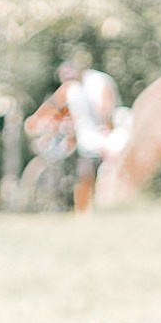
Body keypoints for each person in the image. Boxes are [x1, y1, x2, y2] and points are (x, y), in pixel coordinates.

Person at [26, 60, 122, 215]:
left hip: (107, 135)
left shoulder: (97, 81)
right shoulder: (70, 89)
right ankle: (84, 211)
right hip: (86, 139)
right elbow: (52, 107)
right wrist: (37, 122)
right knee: (83, 170)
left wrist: (105, 126)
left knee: (104, 166)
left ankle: (110, 204)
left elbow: (107, 110)